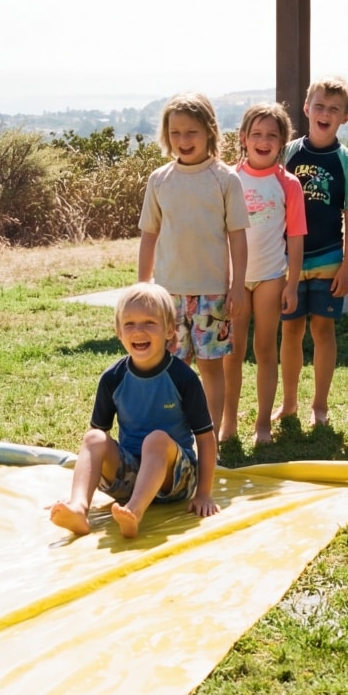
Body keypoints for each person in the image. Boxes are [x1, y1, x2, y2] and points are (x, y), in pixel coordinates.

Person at [51, 282, 219, 539]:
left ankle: (134, 512)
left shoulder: (183, 378)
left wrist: (204, 493)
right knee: (93, 437)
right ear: (118, 332)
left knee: (156, 439)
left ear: (170, 330)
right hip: (129, 477)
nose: (138, 331)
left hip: (175, 480)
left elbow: (206, 438)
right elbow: (96, 446)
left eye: (149, 322)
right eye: (129, 324)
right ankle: (78, 508)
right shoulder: (113, 378)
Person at [138, 92, 250, 437]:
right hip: (167, 294)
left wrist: (237, 286)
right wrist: (143, 288)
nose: (183, 140)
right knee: (170, 367)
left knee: (211, 368)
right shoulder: (159, 180)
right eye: (175, 133)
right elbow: (149, 236)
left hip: (212, 294)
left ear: (209, 131)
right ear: (166, 135)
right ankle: (171, 434)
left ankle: (210, 437)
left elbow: (238, 238)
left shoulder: (226, 179)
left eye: (192, 132)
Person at [280, 76, 348, 427]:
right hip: (288, 261)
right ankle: (288, 404)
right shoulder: (287, 153)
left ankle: (320, 406)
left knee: (323, 330)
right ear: (306, 108)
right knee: (291, 331)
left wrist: (347, 267)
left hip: (329, 258)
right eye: (319, 106)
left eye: (334, 109)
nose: (325, 113)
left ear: (345, 116)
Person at [226, 102, 307, 446]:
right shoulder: (229, 178)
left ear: (282, 142)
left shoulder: (289, 184)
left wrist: (292, 284)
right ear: (243, 138)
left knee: (265, 349)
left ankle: (262, 424)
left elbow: (296, 237)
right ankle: (228, 423)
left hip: (271, 277)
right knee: (232, 351)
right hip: (234, 280)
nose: (263, 141)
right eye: (256, 134)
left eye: (272, 135)